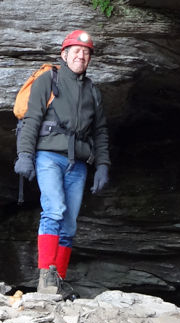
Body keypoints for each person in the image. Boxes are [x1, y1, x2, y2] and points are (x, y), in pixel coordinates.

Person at [14, 30, 110, 296]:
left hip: (77, 163)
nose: (81, 56)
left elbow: (100, 131)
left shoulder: (92, 91)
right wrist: (25, 155)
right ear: (64, 55)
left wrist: (103, 165)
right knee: (54, 210)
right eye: (76, 51)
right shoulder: (48, 80)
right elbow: (32, 119)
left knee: (69, 224)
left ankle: (58, 282)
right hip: (48, 156)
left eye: (86, 52)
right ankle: (45, 278)